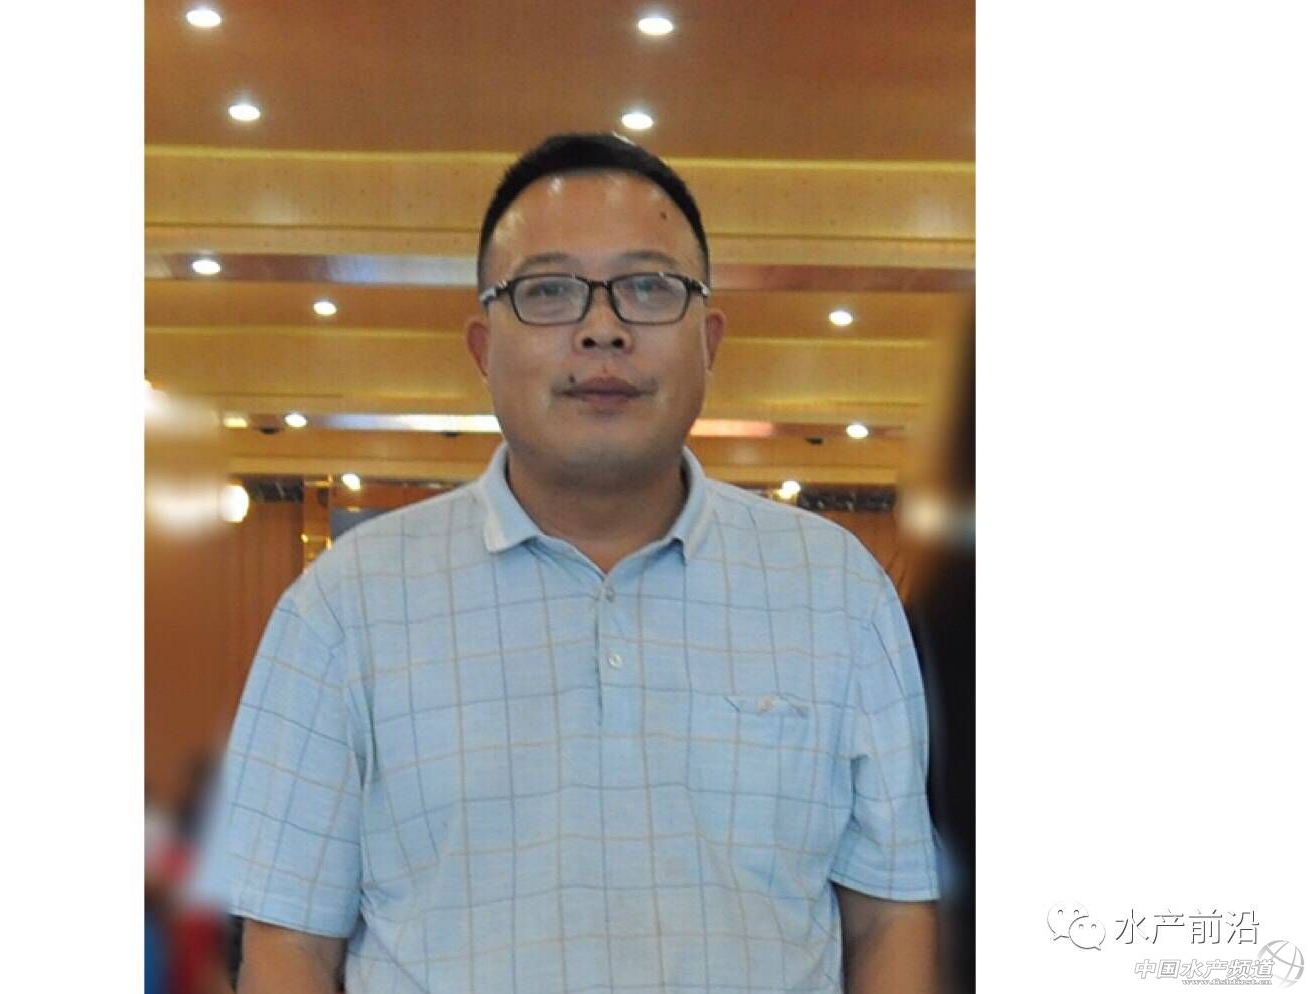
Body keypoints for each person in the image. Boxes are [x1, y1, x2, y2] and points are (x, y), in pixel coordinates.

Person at [193, 132, 941, 994]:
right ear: (483, 348)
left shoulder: (836, 592)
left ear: (709, 340)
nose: (602, 329)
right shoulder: (341, 608)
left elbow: (888, 918)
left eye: (649, 288)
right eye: (548, 291)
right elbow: (290, 944)